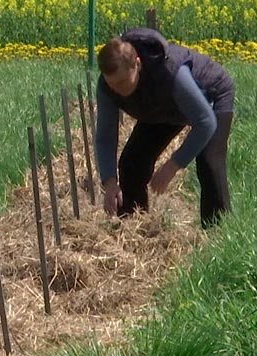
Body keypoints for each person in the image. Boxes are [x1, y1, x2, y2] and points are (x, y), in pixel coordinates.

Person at [94, 27, 235, 228]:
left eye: (122, 82)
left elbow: (205, 122)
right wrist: (109, 182)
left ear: (137, 64)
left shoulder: (171, 73)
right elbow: (105, 135)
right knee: (132, 163)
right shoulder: (107, 88)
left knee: (209, 162)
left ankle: (217, 233)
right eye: (112, 84)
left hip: (211, 98)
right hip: (163, 108)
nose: (117, 89)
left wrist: (173, 165)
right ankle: (134, 227)